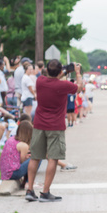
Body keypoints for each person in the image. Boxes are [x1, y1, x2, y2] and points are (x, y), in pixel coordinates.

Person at [24, 61, 82, 202]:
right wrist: (77, 73)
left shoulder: (40, 81)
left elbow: (52, 77)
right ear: (60, 71)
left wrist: (63, 72)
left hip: (39, 125)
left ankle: (30, 190)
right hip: (55, 126)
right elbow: (78, 88)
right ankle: (45, 192)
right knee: (53, 158)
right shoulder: (64, 85)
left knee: (35, 157)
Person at [0, 120, 34, 186]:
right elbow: (22, 161)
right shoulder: (24, 145)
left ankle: (26, 181)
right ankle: (28, 182)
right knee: (36, 158)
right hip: (13, 173)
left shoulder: (11, 139)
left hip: (5, 173)